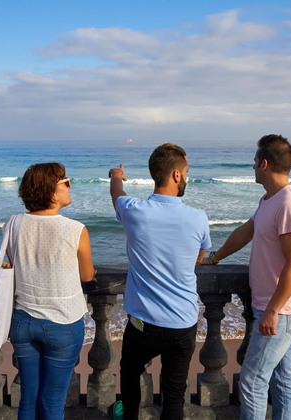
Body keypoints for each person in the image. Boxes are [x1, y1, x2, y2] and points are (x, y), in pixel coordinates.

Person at [201, 134, 291, 420]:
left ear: (264, 164)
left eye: (254, 161)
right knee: (283, 376)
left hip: (281, 308)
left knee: (252, 380)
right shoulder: (269, 200)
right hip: (273, 305)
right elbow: (245, 232)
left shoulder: (290, 204)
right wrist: (214, 257)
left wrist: (273, 309)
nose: (251, 167)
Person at [108, 143, 211, 420]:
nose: (187, 177)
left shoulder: (133, 210)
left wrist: (116, 175)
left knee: (130, 376)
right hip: (182, 323)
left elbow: (117, 194)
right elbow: (198, 257)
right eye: (186, 171)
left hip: (143, 323)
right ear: (176, 175)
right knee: (174, 394)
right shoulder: (198, 218)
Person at [8, 162, 96, 420]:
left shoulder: (13, 223)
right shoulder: (76, 229)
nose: (70, 186)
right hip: (62, 322)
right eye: (65, 182)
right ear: (50, 190)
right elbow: (87, 275)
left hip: (23, 320)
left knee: (29, 397)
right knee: (53, 402)